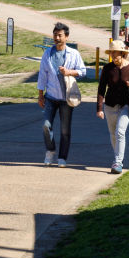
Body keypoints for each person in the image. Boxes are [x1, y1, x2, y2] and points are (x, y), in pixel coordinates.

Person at [37, 22, 87, 167]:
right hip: (50, 97)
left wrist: (70, 72)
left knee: (65, 130)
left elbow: (83, 71)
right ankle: (50, 150)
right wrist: (40, 94)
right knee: (46, 126)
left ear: (66, 37)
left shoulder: (74, 53)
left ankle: (62, 158)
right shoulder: (47, 54)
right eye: (55, 35)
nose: (57, 38)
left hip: (67, 98)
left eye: (60, 35)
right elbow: (42, 75)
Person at [97, 41, 129, 174]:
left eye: (114, 52)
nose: (112, 55)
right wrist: (99, 108)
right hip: (110, 105)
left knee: (120, 132)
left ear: (122, 53)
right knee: (113, 134)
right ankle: (118, 158)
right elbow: (101, 89)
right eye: (111, 52)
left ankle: (118, 162)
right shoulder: (107, 68)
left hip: (126, 105)